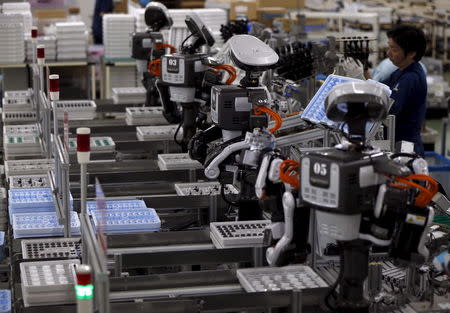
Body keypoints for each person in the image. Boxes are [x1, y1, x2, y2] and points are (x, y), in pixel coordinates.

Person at [381, 25, 428, 156]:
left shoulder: (411, 78)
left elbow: (390, 111)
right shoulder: (401, 71)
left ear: (412, 53)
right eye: (389, 47)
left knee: (405, 175)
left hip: (405, 148)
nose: (388, 53)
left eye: (394, 49)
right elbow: (378, 87)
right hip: (395, 141)